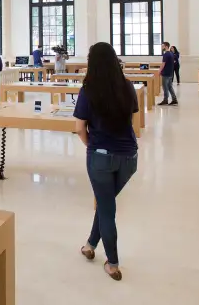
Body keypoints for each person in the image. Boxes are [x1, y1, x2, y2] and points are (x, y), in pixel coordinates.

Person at [73, 42, 138, 281]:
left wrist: (91, 144)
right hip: (129, 158)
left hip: (100, 155)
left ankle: (112, 263)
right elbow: (130, 120)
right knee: (105, 203)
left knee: (107, 209)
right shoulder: (128, 87)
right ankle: (90, 245)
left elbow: (79, 127)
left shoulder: (88, 90)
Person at [158, 41, 178, 106]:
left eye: (162, 46)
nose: (161, 47)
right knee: (170, 87)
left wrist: (159, 71)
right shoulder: (171, 53)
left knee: (165, 87)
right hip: (170, 73)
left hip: (165, 73)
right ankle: (174, 99)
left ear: (166, 46)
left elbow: (163, 64)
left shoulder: (166, 54)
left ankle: (165, 100)